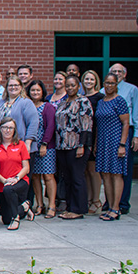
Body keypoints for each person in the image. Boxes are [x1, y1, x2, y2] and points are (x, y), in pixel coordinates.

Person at [103, 63, 138, 215]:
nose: (117, 74)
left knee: (121, 171)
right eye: (114, 72)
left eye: (119, 72)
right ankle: (110, 202)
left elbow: (134, 115)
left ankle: (122, 203)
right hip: (105, 136)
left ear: (124, 74)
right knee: (106, 171)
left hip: (123, 134)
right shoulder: (102, 94)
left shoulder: (131, 90)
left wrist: (136, 135)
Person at [54, 75, 93, 220]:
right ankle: (70, 207)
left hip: (76, 146)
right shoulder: (63, 103)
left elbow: (87, 125)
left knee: (77, 178)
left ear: (78, 86)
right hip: (62, 146)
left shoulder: (83, 101)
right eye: (68, 85)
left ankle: (79, 209)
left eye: (72, 85)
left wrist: (82, 145)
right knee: (68, 178)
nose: (70, 88)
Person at [95, 73, 130, 222]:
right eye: (107, 83)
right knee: (105, 174)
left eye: (112, 83)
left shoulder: (120, 101)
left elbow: (126, 123)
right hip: (103, 142)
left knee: (116, 174)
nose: (109, 86)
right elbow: (98, 125)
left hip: (116, 141)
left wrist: (122, 144)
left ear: (116, 85)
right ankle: (109, 207)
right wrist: (96, 143)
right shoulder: (101, 102)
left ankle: (116, 208)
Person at [0, 117, 32, 230]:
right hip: (3, 184)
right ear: (0, 129)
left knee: (9, 189)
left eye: (10, 128)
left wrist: (16, 178)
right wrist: (5, 180)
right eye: (4, 127)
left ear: (14, 130)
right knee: (5, 220)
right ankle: (24, 207)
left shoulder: (21, 145)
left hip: (20, 181)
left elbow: (26, 168)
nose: (7, 130)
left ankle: (16, 219)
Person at [26, 80, 57, 218]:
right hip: (31, 147)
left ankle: (51, 205)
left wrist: (44, 143)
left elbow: (50, 126)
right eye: (33, 90)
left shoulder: (47, 107)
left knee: (48, 176)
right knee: (35, 177)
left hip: (46, 147)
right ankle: (39, 204)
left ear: (42, 92)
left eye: (38, 90)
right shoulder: (28, 106)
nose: (35, 93)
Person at [0, 77, 38, 157]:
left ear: (21, 87)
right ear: (6, 87)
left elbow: (33, 123)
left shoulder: (26, 102)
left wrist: (28, 143)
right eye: (10, 85)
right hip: (0, 146)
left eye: (16, 85)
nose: (13, 87)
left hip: (19, 146)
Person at [82, 70, 104, 214]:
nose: (89, 82)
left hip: (95, 136)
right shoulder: (81, 97)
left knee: (93, 170)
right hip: (84, 137)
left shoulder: (100, 97)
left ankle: (96, 200)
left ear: (96, 81)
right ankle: (89, 199)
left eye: (91, 79)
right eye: (86, 79)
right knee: (85, 171)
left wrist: (96, 141)